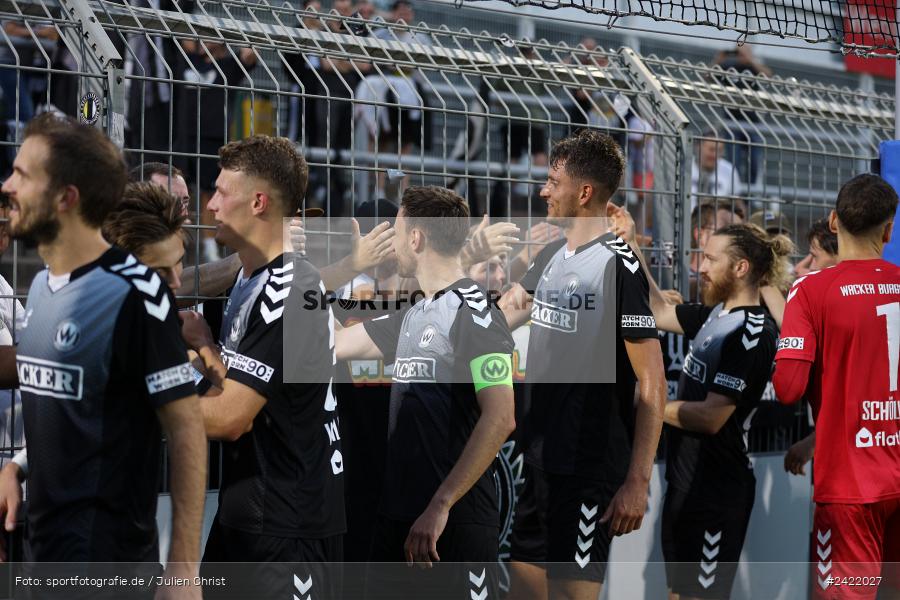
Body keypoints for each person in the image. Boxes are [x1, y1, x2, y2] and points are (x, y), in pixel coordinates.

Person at [0, 114, 206, 599]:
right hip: (41, 558)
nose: (8, 186)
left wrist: (182, 570)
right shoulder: (42, 288)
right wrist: (17, 469)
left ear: (65, 198)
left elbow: (186, 428)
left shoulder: (136, 292)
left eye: (22, 175)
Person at [499, 129, 666, 600]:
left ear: (585, 192)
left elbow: (653, 380)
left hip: (587, 467)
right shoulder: (552, 254)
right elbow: (503, 314)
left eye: (553, 182)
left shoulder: (619, 265)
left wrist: (637, 481)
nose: (543, 191)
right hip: (540, 459)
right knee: (525, 592)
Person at [178, 136, 344, 599]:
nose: (210, 205)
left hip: (287, 525)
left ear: (258, 202)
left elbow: (232, 417)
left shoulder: (290, 290)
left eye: (220, 192)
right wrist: (205, 348)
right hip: (249, 512)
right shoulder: (251, 279)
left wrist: (145, 397)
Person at [334, 186, 515, 599]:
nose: (392, 244)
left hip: (450, 526)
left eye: (397, 232)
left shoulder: (477, 311)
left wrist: (440, 505)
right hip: (398, 520)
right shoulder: (415, 312)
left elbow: (501, 416)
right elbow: (333, 343)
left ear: (416, 238)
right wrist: (339, 269)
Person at [623, 211, 784, 600]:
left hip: (717, 492)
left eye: (712, 259)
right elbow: (659, 310)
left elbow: (712, 418)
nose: (702, 266)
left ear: (741, 267)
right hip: (685, 485)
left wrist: (649, 405)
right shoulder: (716, 313)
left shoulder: (752, 332)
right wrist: (628, 245)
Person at [774, 174, 900, 600]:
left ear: (832, 221)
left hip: (849, 487)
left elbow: (788, 387)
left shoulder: (810, 291)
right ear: (888, 229)